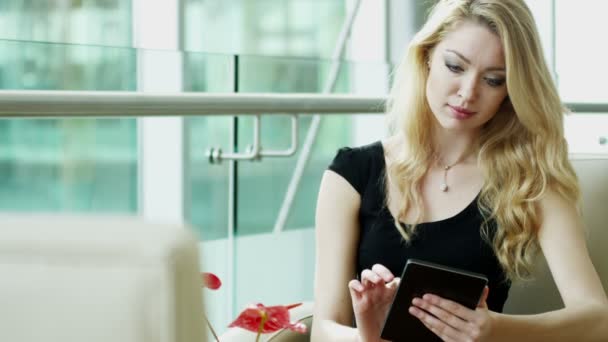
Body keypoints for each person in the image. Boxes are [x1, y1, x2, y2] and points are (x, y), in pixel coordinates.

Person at [310, 0, 608, 341]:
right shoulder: (350, 175)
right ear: (426, 58)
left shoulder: (530, 179)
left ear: (511, 91)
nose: (468, 93)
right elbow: (324, 330)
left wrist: (496, 329)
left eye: (494, 80)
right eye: (455, 66)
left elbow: (598, 319)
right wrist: (369, 336)